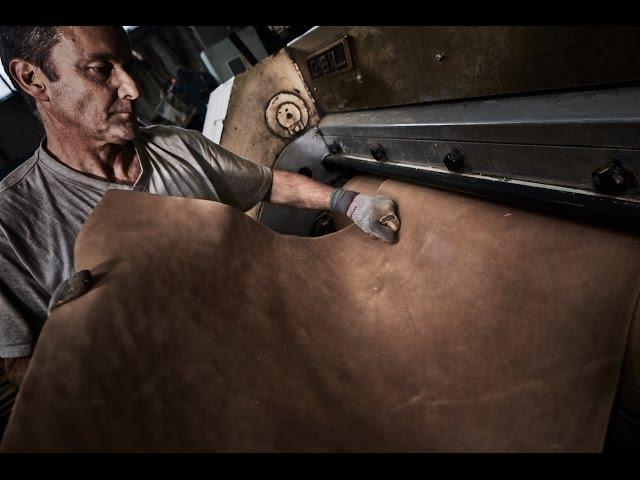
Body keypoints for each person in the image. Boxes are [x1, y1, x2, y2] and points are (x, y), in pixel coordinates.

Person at [0, 26, 400, 387]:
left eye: (126, 66)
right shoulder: (12, 223)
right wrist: (67, 349)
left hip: (273, 356)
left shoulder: (177, 147)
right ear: (33, 78)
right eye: (102, 70)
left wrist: (349, 201)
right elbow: (21, 370)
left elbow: (268, 183)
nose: (132, 89)